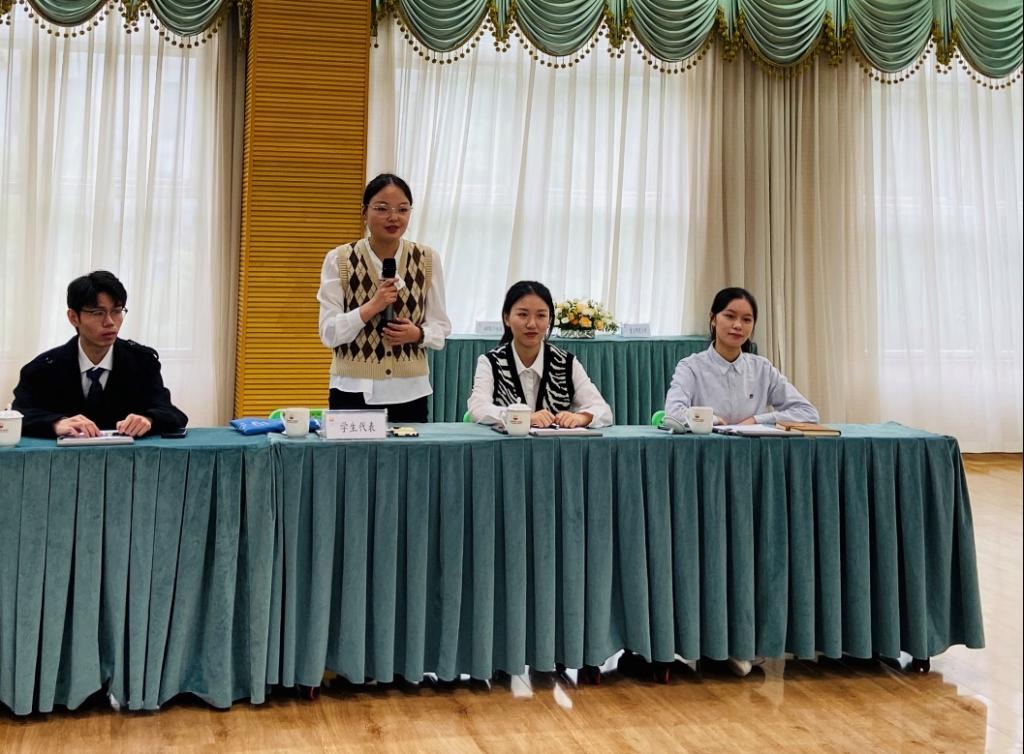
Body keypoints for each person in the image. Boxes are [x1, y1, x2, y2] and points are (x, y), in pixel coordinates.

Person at [317, 174, 451, 423]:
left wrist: (418, 334)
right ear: (364, 212)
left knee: (410, 450)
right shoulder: (339, 259)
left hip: (410, 391)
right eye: (382, 208)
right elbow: (328, 332)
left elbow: (441, 326)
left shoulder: (427, 259)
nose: (393, 217)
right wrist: (370, 307)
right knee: (352, 451)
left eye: (402, 209)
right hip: (352, 389)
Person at [12, 271, 188, 438]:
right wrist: (55, 423)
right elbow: (17, 415)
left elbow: (171, 413)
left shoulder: (142, 363)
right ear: (73, 317)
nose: (110, 322)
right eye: (98, 313)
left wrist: (149, 419)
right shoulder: (42, 369)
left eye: (117, 311)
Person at [664, 286, 819, 427]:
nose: (738, 325)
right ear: (713, 319)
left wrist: (757, 420)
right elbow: (673, 414)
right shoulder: (690, 367)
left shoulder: (762, 369)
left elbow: (808, 413)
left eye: (746, 320)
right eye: (730, 316)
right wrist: (714, 420)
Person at [468, 280, 612, 428]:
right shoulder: (491, 362)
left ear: (550, 320)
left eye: (541, 315)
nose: (531, 324)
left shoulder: (566, 363)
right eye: (523, 314)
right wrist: (522, 417)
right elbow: (477, 408)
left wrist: (582, 417)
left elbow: (603, 411)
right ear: (507, 318)